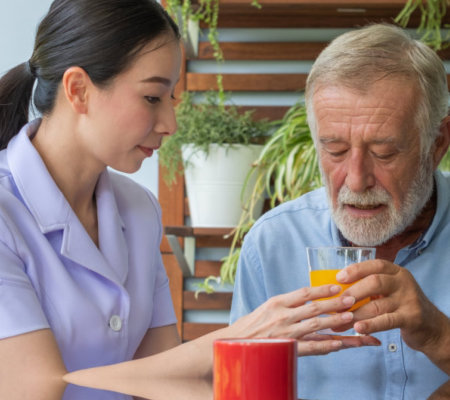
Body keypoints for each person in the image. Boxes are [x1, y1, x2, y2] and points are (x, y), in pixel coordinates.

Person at [0, 1, 380, 400]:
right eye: (152, 98)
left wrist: (261, 349)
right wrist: (237, 339)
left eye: (171, 99)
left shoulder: (138, 209)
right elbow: (36, 388)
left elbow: (166, 379)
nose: (170, 125)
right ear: (78, 90)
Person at [230, 23, 450, 400]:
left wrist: (437, 335)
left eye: (384, 153)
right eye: (334, 150)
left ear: (437, 144)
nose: (356, 179)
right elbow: (239, 388)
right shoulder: (273, 243)